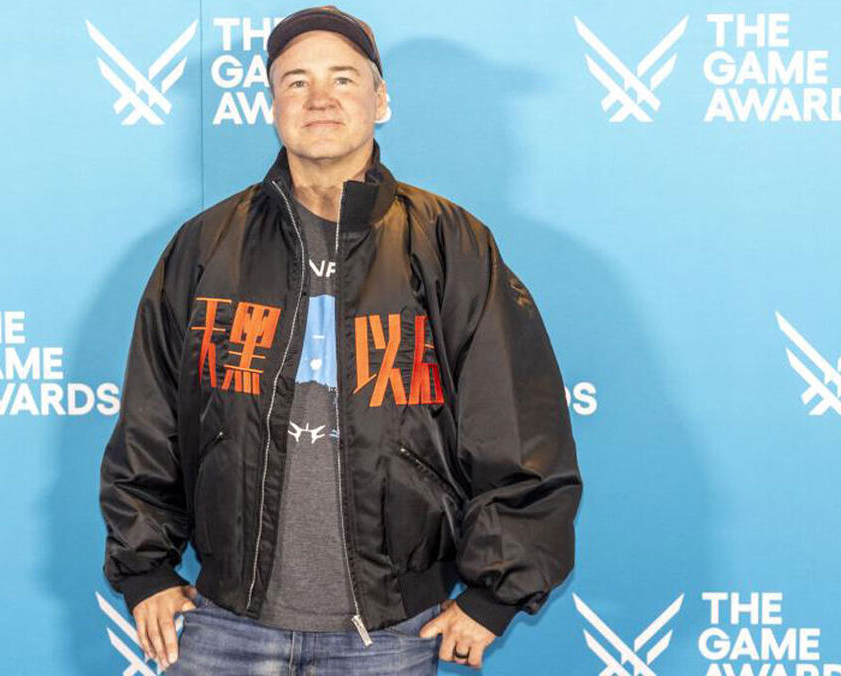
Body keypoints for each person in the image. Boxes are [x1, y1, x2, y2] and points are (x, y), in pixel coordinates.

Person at [99, 5, 582, 673]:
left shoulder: (450, 244)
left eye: (343, 79)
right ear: (272, 105)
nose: (319, 98)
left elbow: (517, 424)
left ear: (380, 100)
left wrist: (497, 593)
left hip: (392, 633)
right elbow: (150, 420)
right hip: (222, 627)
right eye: (296, 81)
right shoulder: (206, 246)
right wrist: (146, 568)